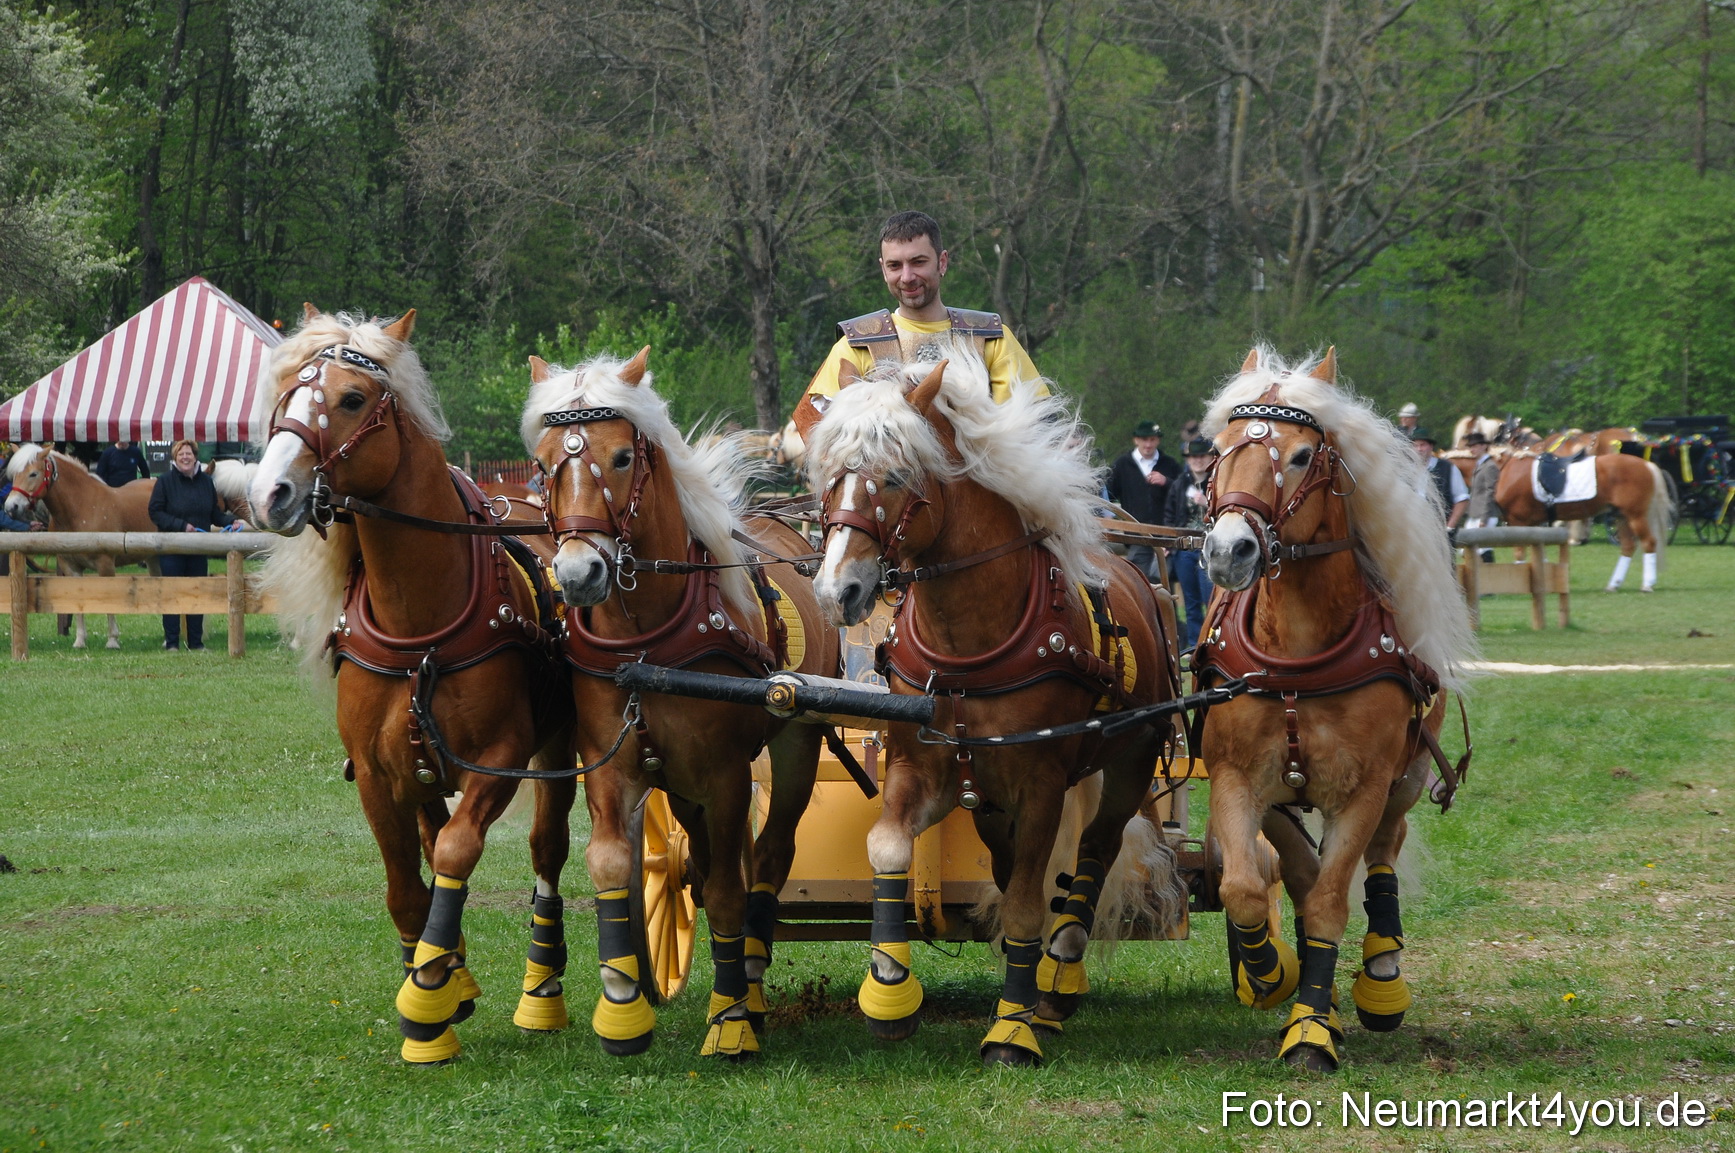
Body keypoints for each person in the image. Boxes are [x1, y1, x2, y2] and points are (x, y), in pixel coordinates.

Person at [799, 210, 1043, 405]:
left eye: (918, 262)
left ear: (942, 262)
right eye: (895, 266)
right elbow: (824, 441)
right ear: (884, 270)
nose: (907, 277)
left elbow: (1027, 429)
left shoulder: (991, 339)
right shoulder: (856, 345)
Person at [148, 439, 245, 650]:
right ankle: (171, 642)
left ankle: (196, 642)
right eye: (181, 454)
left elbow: (214, 514)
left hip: (199, 548)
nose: (185, 457)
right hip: (172, 548)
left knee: (197, 593)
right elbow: (155, 512)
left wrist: (230, 521)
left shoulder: (206, 482)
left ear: (195, 457)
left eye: (189, 454)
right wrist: (181, 526)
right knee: (173, 593)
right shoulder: (164, 482)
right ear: (175, 458)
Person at [1105, 420, 1181, 583]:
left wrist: (1167, 482)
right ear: (1136, 440)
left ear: (1158, 440)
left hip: (1165, 539)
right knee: (1137, 583)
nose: (1148, 444)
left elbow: (1186, 493)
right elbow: (1107, 494)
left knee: (1164, 588)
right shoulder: (1122, 465)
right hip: (1136, 538)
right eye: (1144, 439)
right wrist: (1107, 518)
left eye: (1152, 439)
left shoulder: (1170, 464)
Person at [1163, 436, 1216, 653]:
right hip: (1185, 550)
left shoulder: (1218, 480)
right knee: (1191, 603)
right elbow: (1169, 514)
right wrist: (1169, 542)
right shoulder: (1180, 483)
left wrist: (1208, 503)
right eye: (1194, 456)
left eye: (1202, 456)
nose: (1198, 460)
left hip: (1210, 549)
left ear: (1211, 457)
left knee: (1210, 599)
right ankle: (1195, 646)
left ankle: (1213, 642)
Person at [1410, 427, 1468, 530]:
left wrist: (1450, 526)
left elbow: (1462, 499)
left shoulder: (1447, 468)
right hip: (1412, 528)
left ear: (1431, 446)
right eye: (1415, 446)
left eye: (1422, 445)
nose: (1419, 449)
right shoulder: (1406, 470)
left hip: (1440, 528)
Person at [1464, 430, 1501, 562]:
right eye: (1470, 447)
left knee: (1484, 550)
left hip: (1485, 514)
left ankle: (1490, 576)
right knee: (1468, 550)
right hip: (1475, 513)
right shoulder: (1480, 465)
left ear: (1484, 446)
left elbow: (1490, 492)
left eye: (1474, 446)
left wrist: (1484, 518)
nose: (1472, 449)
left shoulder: (1490, 466)